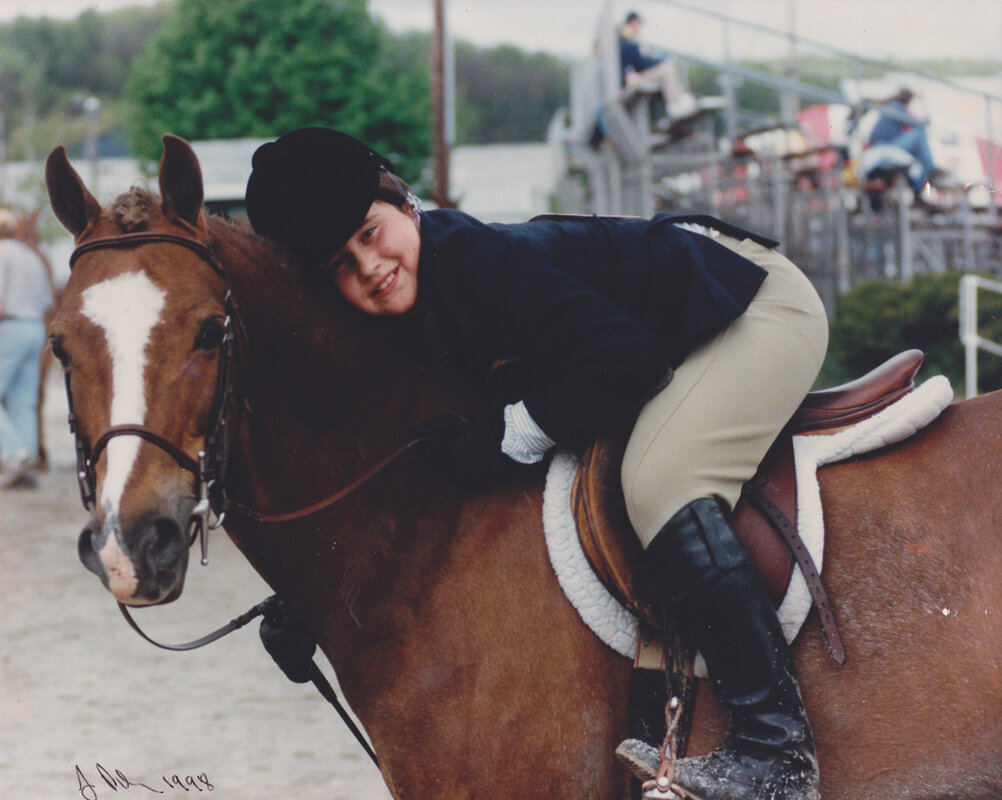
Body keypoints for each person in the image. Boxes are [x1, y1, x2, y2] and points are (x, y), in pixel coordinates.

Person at [244, 127, 828, 800]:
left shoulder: (483, 263)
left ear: (406, 208)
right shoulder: (410, 307)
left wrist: (510, 434)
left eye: (369, 235)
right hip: (671, 328)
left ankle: (775, 749)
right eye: (342, 265)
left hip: (751, 306)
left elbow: (631, 363)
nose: (368, 267)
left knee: (661, 481)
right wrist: (310, 600)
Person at [0, 208, 53, 488]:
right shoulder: (32, 257)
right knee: (24, 401)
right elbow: (48, 301)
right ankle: (28, 460)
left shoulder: (1, 254)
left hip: (9, 328)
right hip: (34, 328)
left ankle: (15, 454)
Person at [617, 11, 696, 119]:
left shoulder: (626, 40)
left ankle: (678, 102)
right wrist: (660, 61)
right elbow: (641, 64)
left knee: (667, 70)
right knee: (667, 68)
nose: (640, 27)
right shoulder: (625, 41)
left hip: (634, 79)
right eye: (639, 23)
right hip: (629, 84)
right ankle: (677, 103)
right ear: (633, 23)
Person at [866, 88, 938, 197]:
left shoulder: (890, 106)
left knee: (917, 143)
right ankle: (930, 172)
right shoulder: (898, 108)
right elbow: (923, 123)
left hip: (883, 145)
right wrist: (923, 102)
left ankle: (923, 178)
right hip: (887, 146)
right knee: (919, 134)